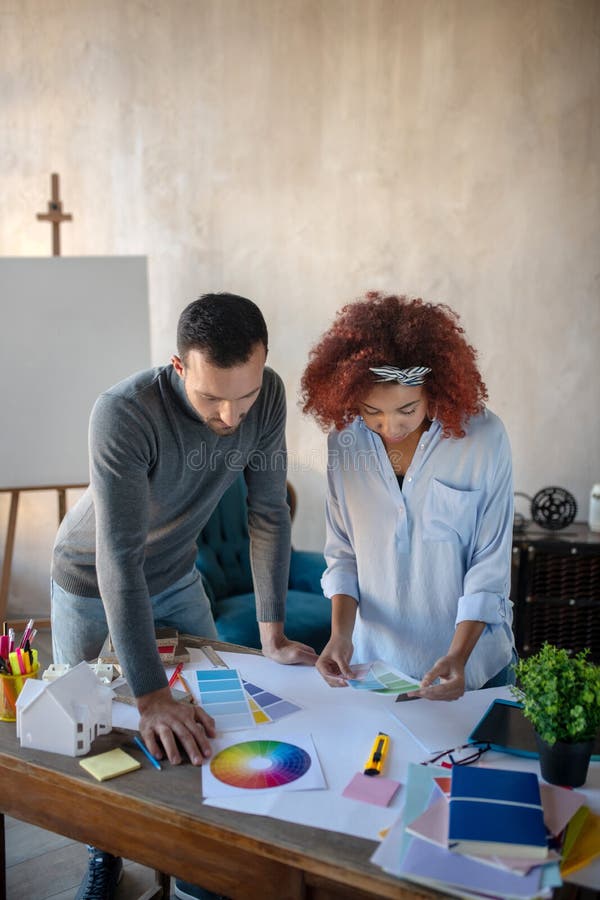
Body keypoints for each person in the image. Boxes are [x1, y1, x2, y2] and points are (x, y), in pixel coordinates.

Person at [51, 292, 317, 900]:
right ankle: (105, 853)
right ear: (178, 368)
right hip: (91, 577)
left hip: (175, 574)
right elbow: (119, 557)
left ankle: (196, 860)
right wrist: (149, 697)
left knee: (213, 708)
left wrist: (272, 631)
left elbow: (270, 513)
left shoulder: (268, 396)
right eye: (210, 398)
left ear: (264, 363)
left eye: (243, 396)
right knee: (96, 731)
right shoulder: (122, 413)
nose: (229, 417)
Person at [300, 292, 516, 700]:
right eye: (372, 411)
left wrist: (458, 657)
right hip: (375, 671)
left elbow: (489, 567)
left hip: (474, 673)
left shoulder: (484, 440)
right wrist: (340, 636)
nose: (389, 426)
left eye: (406, 409)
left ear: (434, 391)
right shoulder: (344, 443)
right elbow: (344, 553)